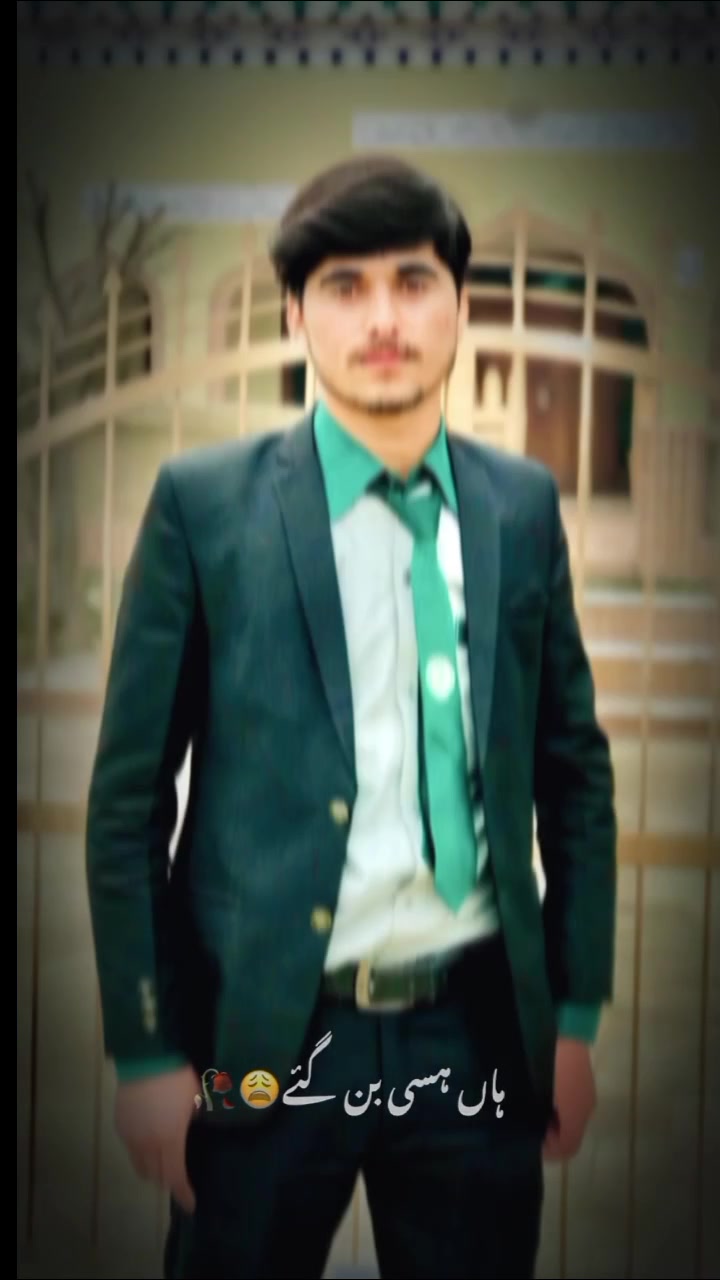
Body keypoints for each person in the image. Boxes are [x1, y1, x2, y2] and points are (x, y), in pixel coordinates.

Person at [85, 154, 617, 1280]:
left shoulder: (521, 507)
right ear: (295, 311)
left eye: (413, 282)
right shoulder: (204, 506)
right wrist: (144, 1048)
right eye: (344, 286)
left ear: (460, 303)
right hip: (263, 1043)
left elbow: (575, 774)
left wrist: (573, 1019)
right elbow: (129, 801)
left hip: (473, 1031)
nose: (383, 319)